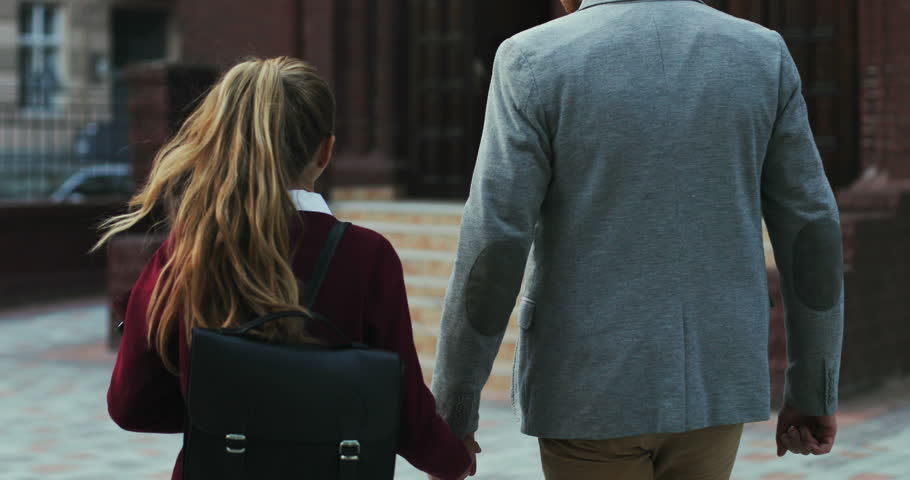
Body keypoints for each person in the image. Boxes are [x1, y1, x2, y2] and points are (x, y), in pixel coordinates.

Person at [429, 0, 844, 479]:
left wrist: (454, 408)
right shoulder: (761, 54)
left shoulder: (532, 58)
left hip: (587, 386)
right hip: (715, 380)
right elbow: (811, 230)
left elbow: (494, 245)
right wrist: (815, 388)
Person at [95, 57, 474, 480]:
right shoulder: (368, 255)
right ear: (325, 151)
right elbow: (403, 409)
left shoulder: (190, 247)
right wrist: (454, 460)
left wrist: (217, 411)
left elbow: (131, 404)